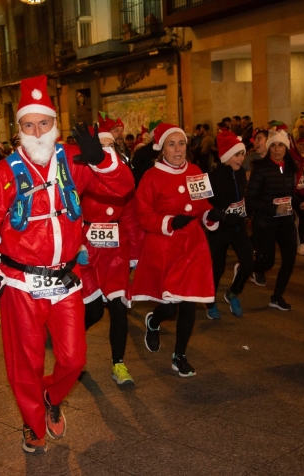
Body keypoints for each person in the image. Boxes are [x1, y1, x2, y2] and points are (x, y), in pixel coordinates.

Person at [0, 75, 133, 453]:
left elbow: (121, 188)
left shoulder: (73, 159)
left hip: (65, 283)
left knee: (74, 359)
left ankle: (50, 398)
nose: (37, 131)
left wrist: (103, 159)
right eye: (29, 124)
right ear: (19, 129)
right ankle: (32, 424)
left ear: (54, 125)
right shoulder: (5, 171)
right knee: (23, 364)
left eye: (43, 123)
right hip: (20, 285)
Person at [131, 122, 216, 377]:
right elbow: (143, 215)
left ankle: (179, 356)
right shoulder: (151, 177)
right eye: (172, 144)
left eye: (181, 143)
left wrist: (212, 214)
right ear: (162, 149)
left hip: (193, 246)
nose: (178, 149)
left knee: (189, 302)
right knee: (171, 306)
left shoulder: (196, 171)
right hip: (165, 245)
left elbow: (202, 206)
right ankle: (154, 321)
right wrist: (168, 221)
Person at [80, 127, 136, 385]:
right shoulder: (81, 174)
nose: (105, 152)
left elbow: (131, 217)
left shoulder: (123, 176)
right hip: (88, 252)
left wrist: (134, 254)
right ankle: (72, 349)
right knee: (93, 312)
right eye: (99, 147)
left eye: (109, 147)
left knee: (118, 308)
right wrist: (75, 246)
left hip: (116, 252)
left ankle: (119, 364)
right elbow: (69, 213)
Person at [246, 129, 304, 311]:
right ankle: (247, 267)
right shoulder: (260, 169)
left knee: (290, 260)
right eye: (273, 145)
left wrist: (300, 204)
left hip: (285, 221)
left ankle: (277, 297)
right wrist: (273, 208)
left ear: (286, 148)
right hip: (265, 222)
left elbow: (288, 195)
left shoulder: (289, 169)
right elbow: (250, 199)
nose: (277, 149)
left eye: (281, 145)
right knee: (268, 262)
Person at [204, 130, 253, 320]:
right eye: (237, 154)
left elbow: (241, 197)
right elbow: (205, 206)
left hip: (239, 227)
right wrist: (223, 216)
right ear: (226, 156)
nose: (241, 158)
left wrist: (244, 211)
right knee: (218, 268)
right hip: (220, 229)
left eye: (242, 154)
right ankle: (210, 302)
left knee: (248, 264)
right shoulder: (212, 177)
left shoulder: (241, 173)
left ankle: (232, 293)